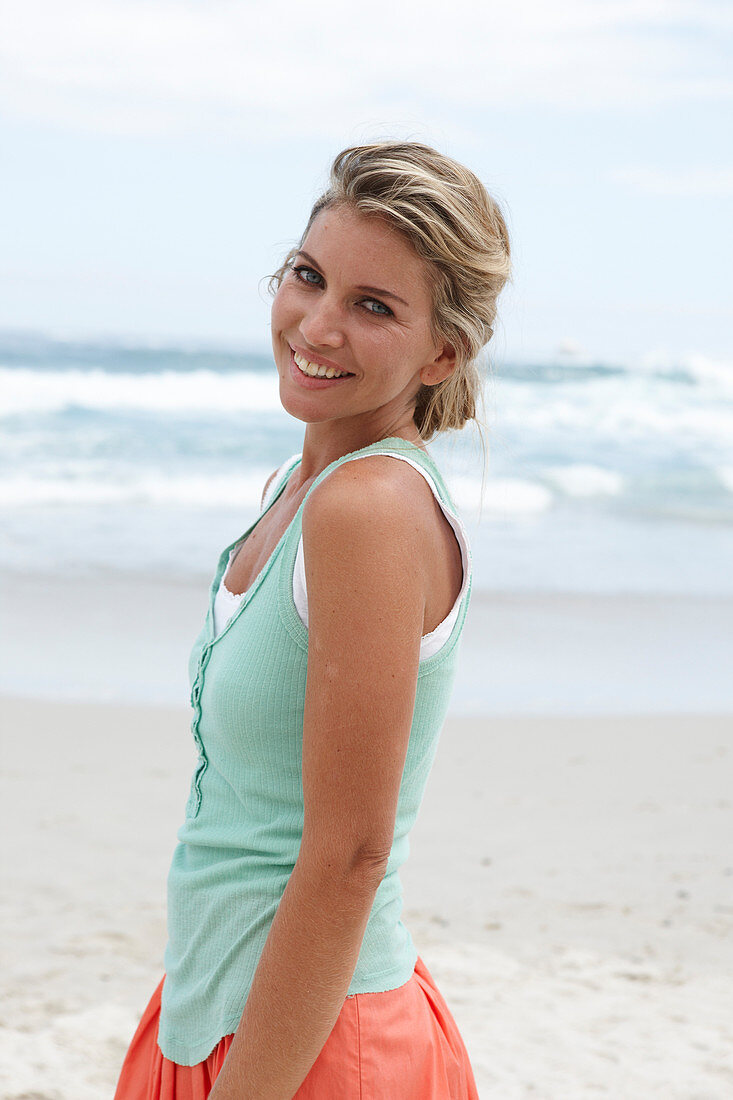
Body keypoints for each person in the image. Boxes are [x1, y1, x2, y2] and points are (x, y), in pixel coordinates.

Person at [113, 139, 511, 1099]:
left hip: (308, 1043)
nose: (317, 326)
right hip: (218, 1006)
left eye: (373, 307)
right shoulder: (297, 487)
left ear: (442, 351)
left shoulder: (366, 509)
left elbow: (349, 854)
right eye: (308, 277)